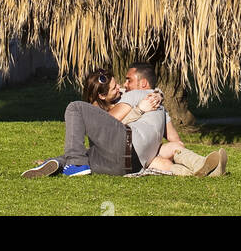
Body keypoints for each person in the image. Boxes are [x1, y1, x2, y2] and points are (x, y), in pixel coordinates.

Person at [21, 64, 228, 179]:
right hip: (120, 155)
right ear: (102, 96)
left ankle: (202, 169)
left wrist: (153, 99)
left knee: (166, 153)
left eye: (127, 81)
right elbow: (111, 121)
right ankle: (60, 162)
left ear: (142, 83)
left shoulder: (138, 97)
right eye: (116, 86)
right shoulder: (132, 100)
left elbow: (177, 144)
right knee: (86, 150)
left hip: (123, 157)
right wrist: (141, 109)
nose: (122, 86)